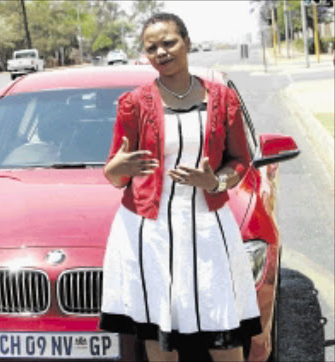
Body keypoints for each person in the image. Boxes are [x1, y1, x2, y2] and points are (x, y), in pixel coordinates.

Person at [99, 13, 262, 362]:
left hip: (209, 228)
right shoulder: (133, 103)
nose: (161, 52)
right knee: (160, 334)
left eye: (169, 42)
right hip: (148, 233)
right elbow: (116, 175)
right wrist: (116, 169)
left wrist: (215, 181)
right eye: (151, 48)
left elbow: (239, 161)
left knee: (223, 328)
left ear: (187, 42)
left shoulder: (221, 99)